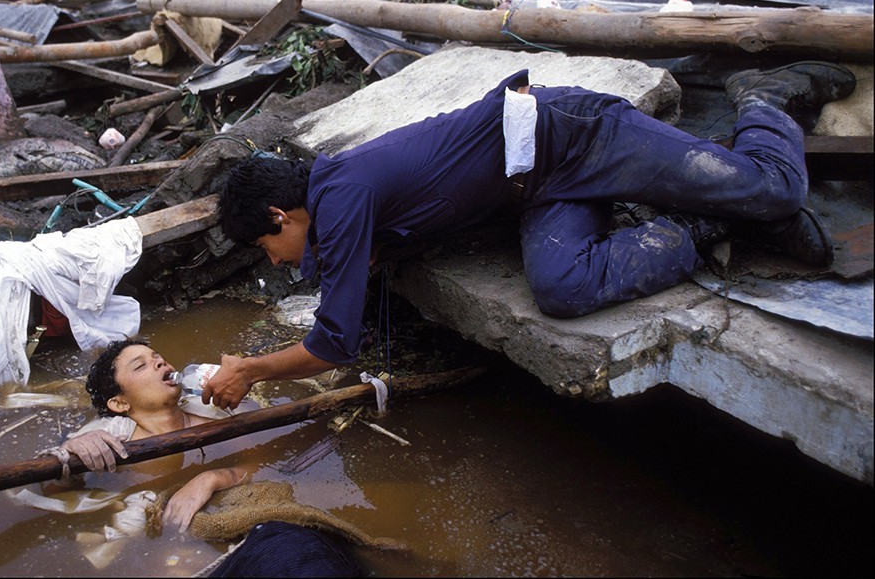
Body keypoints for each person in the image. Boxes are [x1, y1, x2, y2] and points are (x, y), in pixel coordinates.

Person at [202, 62, 857, 410]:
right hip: (542, 188)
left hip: (577, 134)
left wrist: (251, 369)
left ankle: (763, 100)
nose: (280, 261)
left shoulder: (339, 196)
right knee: (562, 286)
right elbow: (338, 272)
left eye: (268, 248)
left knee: (776, 186)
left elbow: (334, 342)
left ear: (282, 217)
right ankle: (708, 222)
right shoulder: (337, 197)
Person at [53, 339, 252, 533]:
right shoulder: (112, 437)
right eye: (140, 366)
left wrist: (214, 478)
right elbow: (56, 495)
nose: (161, 362)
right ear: (120, 403)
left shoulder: (213, 409)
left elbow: (264, 456)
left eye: (158, 358)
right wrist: (74, 450)